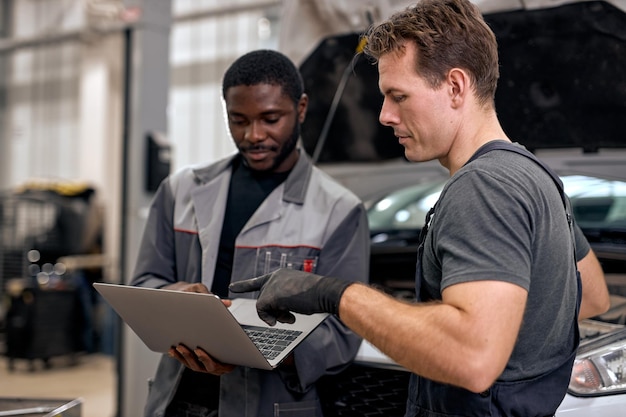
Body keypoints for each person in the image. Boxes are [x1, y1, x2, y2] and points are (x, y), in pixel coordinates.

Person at [229, 1, 611, 416]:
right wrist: (503, 330)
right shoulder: (536, 175)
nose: (384, 116)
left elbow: (473, 359)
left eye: (399, 96)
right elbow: (590, 297)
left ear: (455, 87)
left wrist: (335, 295)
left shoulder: (482, 188)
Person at [131, 49, 370, 417]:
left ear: (301, 108)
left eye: (270, 119)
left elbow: (343, 334)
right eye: (238, 120)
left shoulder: (338, 210)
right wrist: (175, 296)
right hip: (179, 402)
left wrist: (256, 345)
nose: (253, 135)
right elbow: (145, 282)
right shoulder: (180, 191)